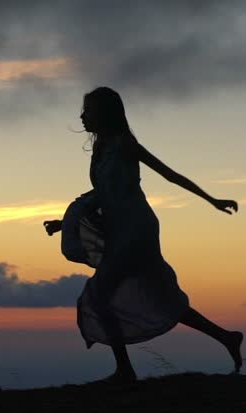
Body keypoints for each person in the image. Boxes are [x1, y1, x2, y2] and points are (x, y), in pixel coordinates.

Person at [43, 86, 243, 384]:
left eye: (89, 110)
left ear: (105, 113)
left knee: (100, 296)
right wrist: (65, 223)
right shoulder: (100, 149)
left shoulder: (125, 144)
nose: (82, 116)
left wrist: (212, 200)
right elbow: (104, 194)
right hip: (119, 229)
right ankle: (226, 337)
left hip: (136, 230)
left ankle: (125, 371)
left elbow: (169, 174)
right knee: (159, 295)